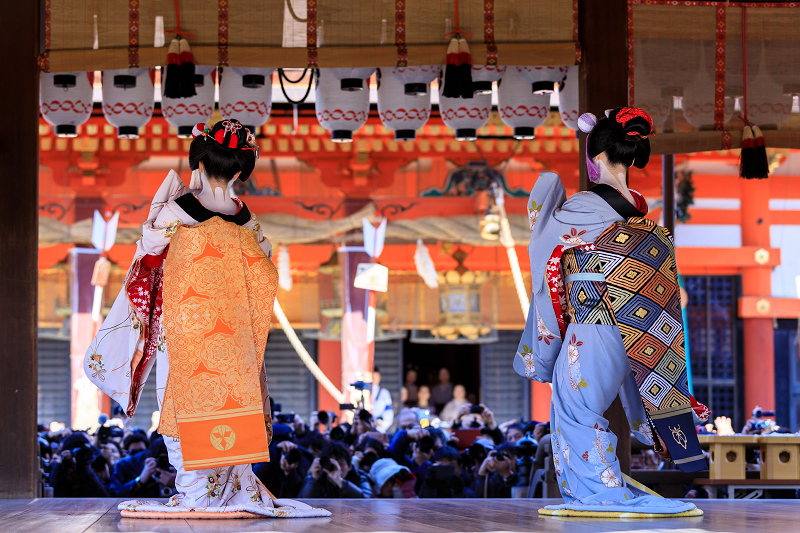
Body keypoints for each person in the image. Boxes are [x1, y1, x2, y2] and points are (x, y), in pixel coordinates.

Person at [85, 119, 328, 519]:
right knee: (238, 403)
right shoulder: (245, 219)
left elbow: (147, 255)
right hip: (232, 333)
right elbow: (265, 270)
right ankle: (233, 488)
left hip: (186, 329)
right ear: (239, 172)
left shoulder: (176, 210)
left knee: (179, 406)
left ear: (198, 162)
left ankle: (196, 492)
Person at [514, 108, 709, 517]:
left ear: (596, 158)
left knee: (574, 410)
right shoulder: (637, 208)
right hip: (637, 329)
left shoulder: (584, 205)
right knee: (588, 407)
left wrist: (542, 211)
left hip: (593, 324)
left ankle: (598, 491)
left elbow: (542, 250)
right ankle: (608, 483)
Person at [299, 442, 372, 498]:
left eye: (341, 464)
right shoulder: (318, 478)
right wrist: (313, 480)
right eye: (332, 464)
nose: (337, 468)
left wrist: (340, 481)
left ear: (350, 466)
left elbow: (368, 501)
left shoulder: (360, 478)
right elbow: (302, 505)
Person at [371, 367, 394, 432]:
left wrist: (381, 426)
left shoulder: (384, 393)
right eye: (372, 377)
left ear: (379, 377)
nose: (374, 379)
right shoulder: (363, 391)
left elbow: (389, 412)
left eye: (376, 376)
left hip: (379, 429)